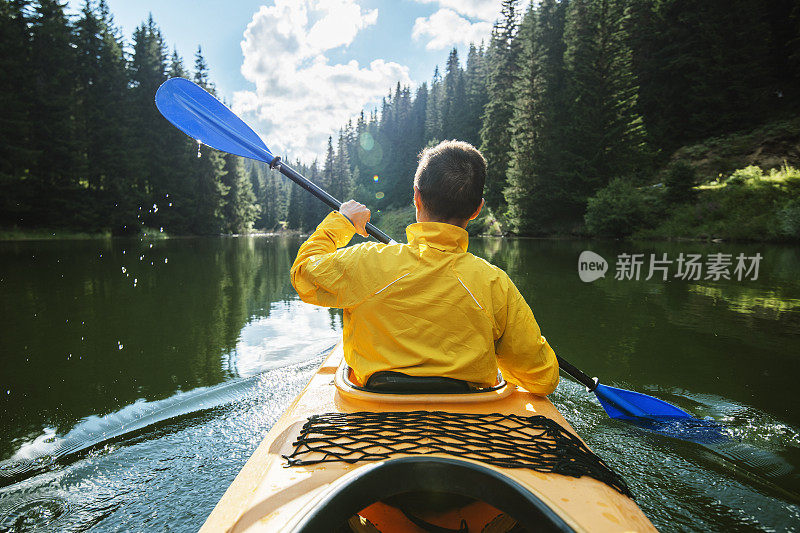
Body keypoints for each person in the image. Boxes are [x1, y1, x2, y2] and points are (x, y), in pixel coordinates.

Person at [290, 140, 558, 395]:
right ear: (477, 209)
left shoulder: (366, 262)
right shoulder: (495, 284)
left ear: (416, 198)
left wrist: (344, 221)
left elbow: (303, 272)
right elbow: (543, 378)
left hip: (375, 423)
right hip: (469, 431)